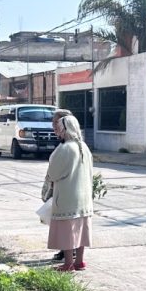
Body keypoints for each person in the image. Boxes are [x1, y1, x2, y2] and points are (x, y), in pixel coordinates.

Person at [42, 114, 93, 272]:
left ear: (65, 129)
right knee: (81, 230)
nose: (58, 132)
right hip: (84, 197)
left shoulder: (65, 148)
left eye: (60, 129)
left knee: (68, 231)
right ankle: (80, 262)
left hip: (67, 196)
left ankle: (68, 264)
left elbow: (54, 173)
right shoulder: (83, 147)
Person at [50, 108, 74, 262]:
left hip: (68, 190)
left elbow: (56, 172)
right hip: (65, 189)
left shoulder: (69, 145)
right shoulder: (67, 142)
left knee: (67, 224)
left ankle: (68, 256)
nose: (53, 126)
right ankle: (66, 251)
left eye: (55, 123)